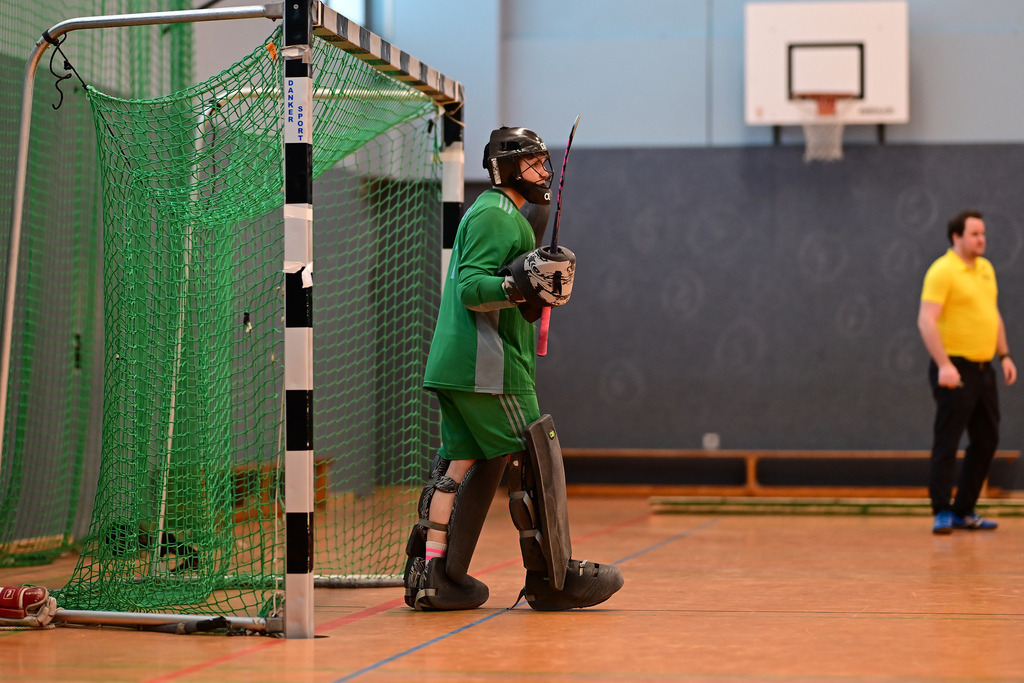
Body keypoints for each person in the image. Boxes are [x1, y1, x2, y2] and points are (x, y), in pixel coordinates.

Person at [402, 126, 624, 610]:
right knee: (534, 453)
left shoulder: (498, 213)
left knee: (460, 465)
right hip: (488, 367)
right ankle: (553, 579)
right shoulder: (498, 216)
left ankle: (435, 576)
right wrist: (520, 285)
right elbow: (471, 288)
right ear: (505, 168)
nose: (543, 170)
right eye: (532, 162)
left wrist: (531, 287)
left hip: (462, 365)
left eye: (544, 161)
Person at [917, 209, 1017, 535]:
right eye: (974, 234)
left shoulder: (986, 269)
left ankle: (964, 510)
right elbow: (926, 320)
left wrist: (1004, 355)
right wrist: (944, 364)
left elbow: (992, 314)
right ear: (956, 237)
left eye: (983, 233)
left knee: (986, 440)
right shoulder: (942, 271)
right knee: (948, 440)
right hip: (954, 368)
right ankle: (942, 510)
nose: (981, 239)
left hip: (984, 369)